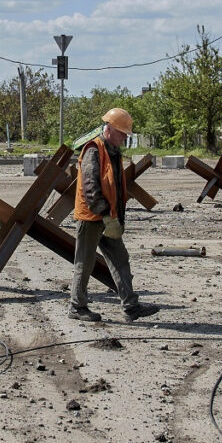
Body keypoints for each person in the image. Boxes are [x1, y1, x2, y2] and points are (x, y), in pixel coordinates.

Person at [68, 108, 159, 323]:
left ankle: (130, 306)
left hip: (108, 216)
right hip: (92, 217)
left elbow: (115, 186)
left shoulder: (113, 151)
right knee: (85, 262)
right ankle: (77, 306)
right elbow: (90, 186)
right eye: (121, 134)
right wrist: (104, 214)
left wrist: (114, 216)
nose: (124, 138)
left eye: (126, 135)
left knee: (120, 259)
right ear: (109, 129)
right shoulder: (94, 150)